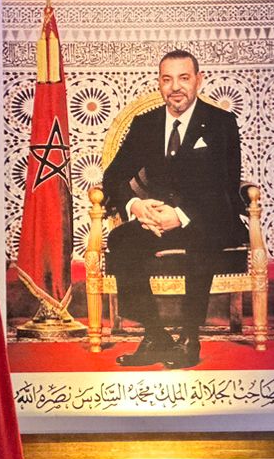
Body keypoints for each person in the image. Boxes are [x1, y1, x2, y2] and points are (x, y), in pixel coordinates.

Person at [101, 50, 247, 367]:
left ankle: (189, 339)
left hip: (208, 217)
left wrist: (180, 216)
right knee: (121, 239)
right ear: (159, 83)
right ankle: (155, 336)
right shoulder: (146, 124)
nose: (175, 87)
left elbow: (224, 185)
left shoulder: (221, 123)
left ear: (198, 80)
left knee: (201, 238)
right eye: (167, 79)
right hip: (158, 220)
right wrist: (137, 206)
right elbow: (112, 177)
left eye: (183, 78)